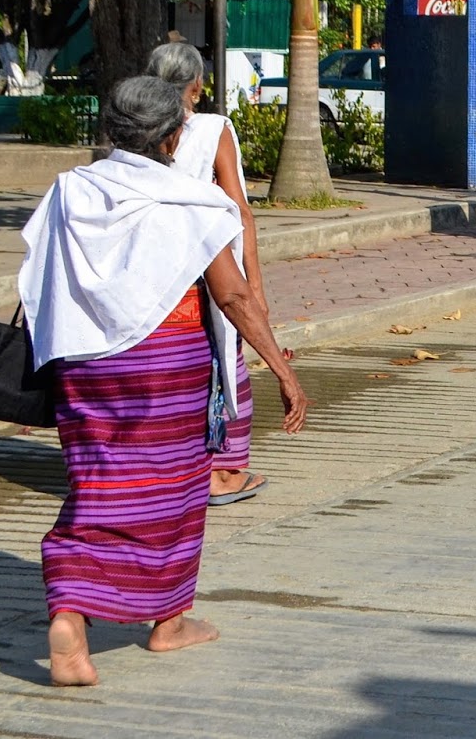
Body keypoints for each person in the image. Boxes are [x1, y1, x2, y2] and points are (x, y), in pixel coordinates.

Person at [19, 76, 310, 687]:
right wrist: (283, 371)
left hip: (84, 363)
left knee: (98, 483)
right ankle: (169, 620)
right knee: (172, 492)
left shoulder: (71, 190)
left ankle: (71, 612)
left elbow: (39, 276)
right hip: (165, 366)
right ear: (175, 137)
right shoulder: (187, 200)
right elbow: (231, 293)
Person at [147, 42, 272, 507]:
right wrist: (254, 286)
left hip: (151, 270)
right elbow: (239, 208)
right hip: (205, 267)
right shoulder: (212, 128)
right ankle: (221, 473)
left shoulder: (135, 128)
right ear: (196, 88)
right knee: (225, 363)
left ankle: (169, 470)